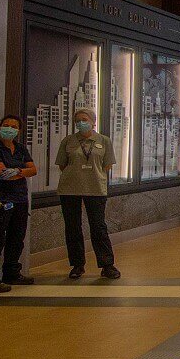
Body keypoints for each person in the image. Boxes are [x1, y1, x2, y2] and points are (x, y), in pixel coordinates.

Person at [55, 108, 121, 280]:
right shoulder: (68, 141)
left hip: (95, 189)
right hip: (70, 189)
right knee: (73, 227)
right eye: (77, 120)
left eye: (84, 119)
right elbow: (62, 164)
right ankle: (77, 265)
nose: (80, 123)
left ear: (93, 122)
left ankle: (107, 265)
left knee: (98, 226)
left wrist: (91, 174)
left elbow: (107, 165)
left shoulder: (103, 141)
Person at [0, 115, 37, 293]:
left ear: (18, 130)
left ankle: (12, 272)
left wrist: (17, 171)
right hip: (0, 200)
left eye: (13, 126)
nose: (9, 128)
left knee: (16, 238)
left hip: (19, 199)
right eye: (6, 125)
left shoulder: (20, 148)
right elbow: (2, 173)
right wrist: (22, 172)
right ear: (0, 127)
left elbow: (33, 170)